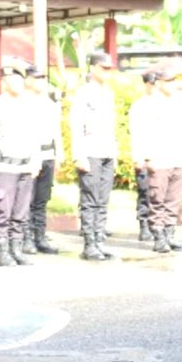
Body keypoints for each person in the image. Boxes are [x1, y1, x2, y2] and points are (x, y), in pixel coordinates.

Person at [130, 64, 182, 254]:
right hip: (158, 158)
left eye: (175, 80)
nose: (173, 84)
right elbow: (139, 133)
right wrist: (144, 157)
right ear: (159, 83)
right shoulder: (145, 104)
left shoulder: (180, 104)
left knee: (174, 199)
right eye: (169, 81)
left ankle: (169, 234)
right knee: (157, 198)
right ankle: (158, 235)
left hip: (178, 158)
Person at [0, 62, 39, 267]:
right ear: (4, 82)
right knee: (3, 209)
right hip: (6, 165)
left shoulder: (29, 103)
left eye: (19, 79)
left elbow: (35, 134)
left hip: (26, 164)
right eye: (12, 80)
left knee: (20, 210)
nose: (16, 83)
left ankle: (16, 249)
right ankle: (3, 251)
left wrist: (36, 160)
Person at [70, 51, 118, 262]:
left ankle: (100, 241)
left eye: (109, 68)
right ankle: (89, 244)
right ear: (93, 68)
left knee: (103, 200)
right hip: (89, 152)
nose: (108, 72)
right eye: (104, 68)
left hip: (107, 151)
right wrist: (78, 154)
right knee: (90, 199)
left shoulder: (108, 94)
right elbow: (76, 125)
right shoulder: (83, 94)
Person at [22, 65, 62, 256]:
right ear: (28, 80)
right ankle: (26, 237)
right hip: (30, 156)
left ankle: (40, 236)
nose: (41, 82)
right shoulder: (22, 102)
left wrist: (59, 153)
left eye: (43, 78)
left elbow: (56, 130)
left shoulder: (49, 103)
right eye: (37, 78)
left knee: (42, 199)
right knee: (27, 199)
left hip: (48, 155)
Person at [133, 70, 159, 242]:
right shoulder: (139, 106)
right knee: (144, 192)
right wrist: (138, 156)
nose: (154, 86)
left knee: (158, 194)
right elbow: (136, 133)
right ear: (146, 84)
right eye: (151, 83)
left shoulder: (164, 104)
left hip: (161, 156)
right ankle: (144, 225)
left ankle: (156, 226)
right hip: (144, 154)